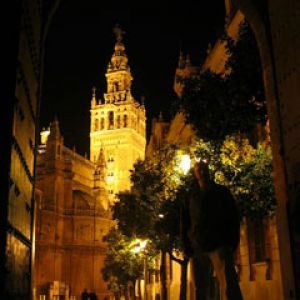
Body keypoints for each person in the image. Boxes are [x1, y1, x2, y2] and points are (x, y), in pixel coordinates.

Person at [189, 159, 243, 300]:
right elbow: (187, 221)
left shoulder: (222, 192)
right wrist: (188, 244)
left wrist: (232, 242)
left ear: (209, 172)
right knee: (201, 289)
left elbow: (233, 216)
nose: (202, 172)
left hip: (219, 243)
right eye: (198, 170)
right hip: (199, 246)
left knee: (229, 285)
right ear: (195, 174)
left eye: (204, 169)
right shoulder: (191, 197)